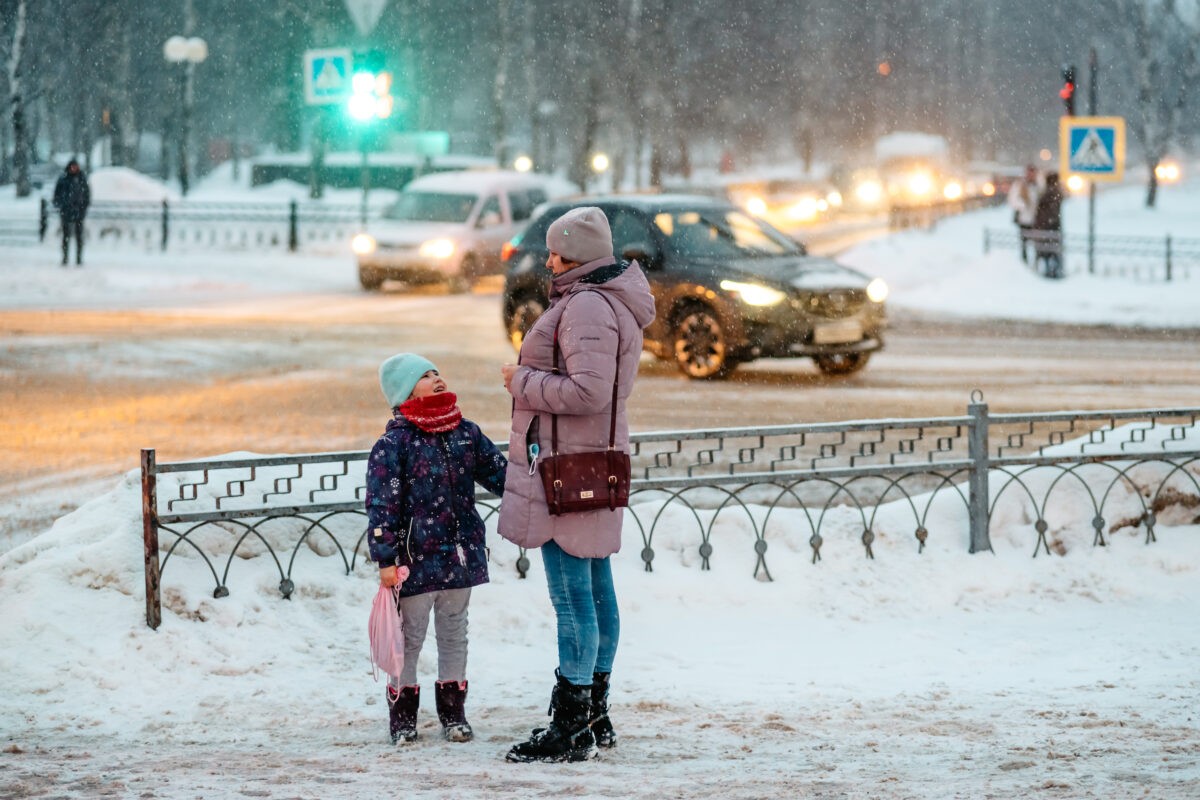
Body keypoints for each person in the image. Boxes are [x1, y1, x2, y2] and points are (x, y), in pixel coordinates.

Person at [498, 206, 656, 763]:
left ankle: (571, 728)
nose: (548, 259)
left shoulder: (586, 304)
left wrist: (523, 381)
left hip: (567, 468)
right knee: (595, 590)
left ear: (580, 257)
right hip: (590, 460)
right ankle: (593, 713)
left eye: (557, 251)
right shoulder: (604, 297)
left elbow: (590, 391)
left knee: (573, 600)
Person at [365, 353, 507, 745]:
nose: (437, 379)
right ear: (404, 390)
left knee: (454, 632)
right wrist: (386, 558)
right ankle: (403, 720)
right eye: (425, 376)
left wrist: (535, 477)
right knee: (409, 639)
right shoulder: (394, 444)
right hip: (415, 559)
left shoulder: (465, 432)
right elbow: (382, 506)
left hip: (459, 553)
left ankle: (453, 714)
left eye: (437, 372)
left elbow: (501, 476)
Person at [52, 159, 91, 267]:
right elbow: (57, 195)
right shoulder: (64, 180)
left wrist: (83, 208)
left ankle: (78, 258)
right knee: (65, 236)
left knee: (79, 237)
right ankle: (65, 258)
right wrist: (62, 205)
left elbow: (87, 195)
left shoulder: (81, 179)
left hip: (78, 212)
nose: (74, 169)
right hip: (66, 212)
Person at [1033, 172, 1065, 279]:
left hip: (1046, 226)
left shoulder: (1048, 193)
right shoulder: (1057, 192)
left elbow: (1042, 210)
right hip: (1054, 226)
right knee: (1053, 250)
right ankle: (1054, 270)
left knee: (1046, 250)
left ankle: (1050, 271)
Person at [1006, 164, 1040, 265]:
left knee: (1037, 244)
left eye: (1033, 173)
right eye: (1029, 173)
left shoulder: (1038, 185)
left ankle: (1035, 264)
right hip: (1024, 219)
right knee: (1024, 244)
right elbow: (1012, 200)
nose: (1031, 175)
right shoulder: (1020, 185)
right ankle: (1024, 264)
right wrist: (1023, 205)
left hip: (1036, 219)